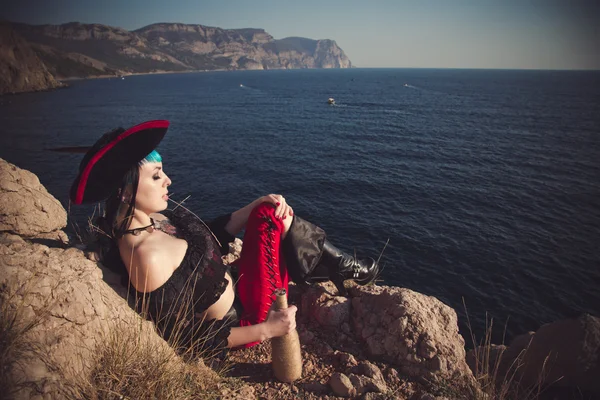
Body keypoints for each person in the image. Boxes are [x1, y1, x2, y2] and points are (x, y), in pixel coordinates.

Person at [70, 120, 379, 356]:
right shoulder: (145, 256)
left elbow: (208, 236)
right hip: (248, 318)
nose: (168, 180)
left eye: (163, 172)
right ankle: (342, 267)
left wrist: (254, 204)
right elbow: (189, 337)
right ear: (124, 191)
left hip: (238, 282)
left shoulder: (157, 218)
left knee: (268, 208)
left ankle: (338, 266)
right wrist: (268, 329)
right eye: (156, 175)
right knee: (273, 218)